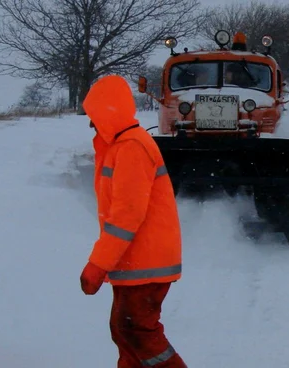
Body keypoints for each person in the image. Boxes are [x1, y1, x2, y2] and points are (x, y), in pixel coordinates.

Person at [79, 74, 188, 368]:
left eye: (94, 115)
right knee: (125, 332)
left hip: (146, 263)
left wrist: (98, 264)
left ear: (107, 112)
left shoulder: (131, 148)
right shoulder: (119, 146)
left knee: (137, 332)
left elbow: (126, 216)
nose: (91, 123)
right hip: (134, 262)